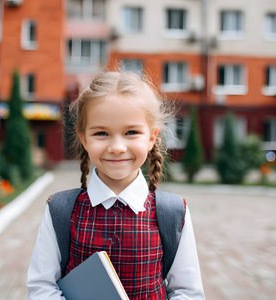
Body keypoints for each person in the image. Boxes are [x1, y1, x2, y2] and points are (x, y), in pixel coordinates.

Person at [27, 72, 205, 300]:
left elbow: (187, 292)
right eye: (101, 133)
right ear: (84, 139)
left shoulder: (172, 212)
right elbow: (41, 287)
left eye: (131, 132)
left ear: (151, 137)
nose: (117, 147)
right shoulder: (60, 210)